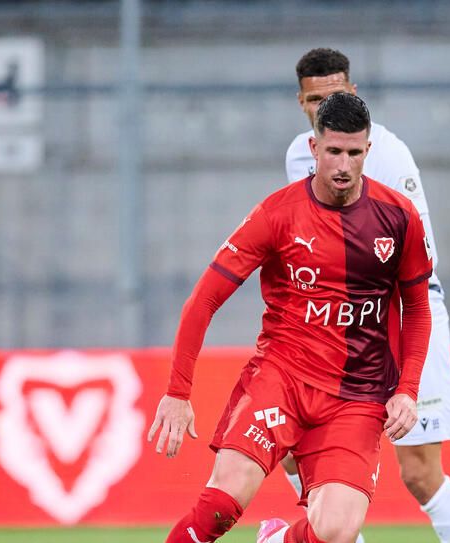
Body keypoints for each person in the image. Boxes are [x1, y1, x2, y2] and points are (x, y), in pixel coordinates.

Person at [147, 92, 433, 543]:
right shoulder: (277, 214)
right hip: (282, 378)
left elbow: (417, 307)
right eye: (334, 151)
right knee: (220, 506)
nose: (343, 165)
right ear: (314, 148)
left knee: (337, 531)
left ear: (367, 152)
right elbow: (202, 300)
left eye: (354, 153)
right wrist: (177, 392)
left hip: (357, 395)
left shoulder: (399, 217)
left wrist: (408, 390)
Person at [283, 48, 450, 543]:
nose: (324, 106)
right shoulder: (297, 155)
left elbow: (419, 256)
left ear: (352, 94)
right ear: (302, 102)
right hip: (339, 318)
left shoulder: (388, 154)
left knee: (419, 472)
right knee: (294, 445)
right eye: (314, 100)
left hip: (402, 312)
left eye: (335, 96)